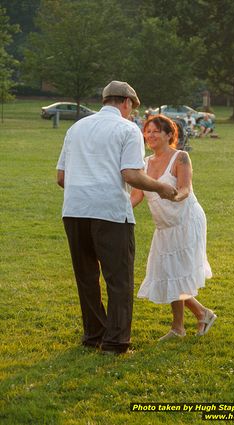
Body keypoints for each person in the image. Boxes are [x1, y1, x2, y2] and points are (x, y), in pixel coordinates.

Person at [56, 81, 177, 355]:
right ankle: (115, 342)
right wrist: (161, 187)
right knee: (118, 279)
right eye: (132, 107)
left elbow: (61, 177)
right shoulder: (127, 129)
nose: (133, 112)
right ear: (125, 102)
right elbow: (131, 175)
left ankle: (94, 335)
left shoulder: (76, 128)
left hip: (74, 210)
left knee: (86, 277)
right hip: (109, 212)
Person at [131, 114, 217, 340]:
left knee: (176, 274)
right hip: (164, 226)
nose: (150, 135)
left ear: (169, 135)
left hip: (186, 221)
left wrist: (175, 197)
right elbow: (137, 195)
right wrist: (118, 211)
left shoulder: (181, 157)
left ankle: (193, 319)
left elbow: (185, 188)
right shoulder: (144, 164)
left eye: (155, 131)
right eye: (147, 131)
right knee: (168, 273)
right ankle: (184, 324)